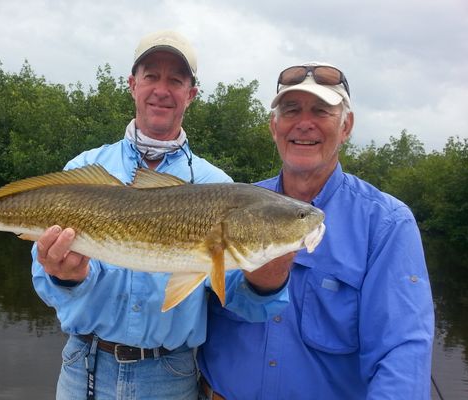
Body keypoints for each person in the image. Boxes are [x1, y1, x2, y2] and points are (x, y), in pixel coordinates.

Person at [31, 30, 291, 400]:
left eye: (176, 80)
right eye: (151, 76)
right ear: (132, 84)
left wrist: (267, 280)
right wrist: (66, 278)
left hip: (170, 375)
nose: (162, 89)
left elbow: (240, 302)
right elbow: (44, 281)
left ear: (192, 93)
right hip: (84, 366)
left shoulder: (217, 186)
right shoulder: (85, 169)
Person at [197, 62, 435, 399]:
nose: (304, 124)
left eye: (321, 111)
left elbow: (401, 353)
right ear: (273, 126)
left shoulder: (387, 224)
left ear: (346, 126)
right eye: (291, 110)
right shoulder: (231, 203)